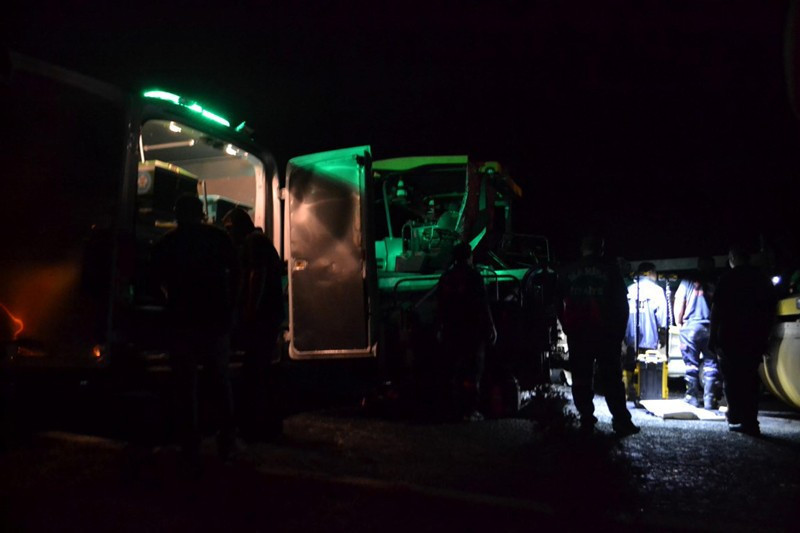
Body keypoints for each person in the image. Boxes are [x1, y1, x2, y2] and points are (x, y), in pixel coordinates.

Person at [151, 194, 240, 469]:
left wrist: (169, 300)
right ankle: (226, 441)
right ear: (201, 212)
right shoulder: (218, 238)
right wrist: (231, 306)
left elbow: (153, 280)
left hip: (182, 320)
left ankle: (190, 443)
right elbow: (236, 272)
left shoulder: (167, 242)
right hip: (215, 319)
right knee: (220, 381)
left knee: (185, 383)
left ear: (177, 214)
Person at [557, 234, 639, 436]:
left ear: (582, 248)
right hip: (606, 334)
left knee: (581, 378)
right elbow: (622, 305)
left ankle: (586, 419)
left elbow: (557, 301)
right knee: (612, 379)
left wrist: (566, 326)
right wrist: (619, 333)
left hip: (578, 334)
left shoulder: (568, 271)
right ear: (601, 249)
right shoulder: (610, 270)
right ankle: (620, 420)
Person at [222, 207, 285, 441]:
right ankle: (267, 424)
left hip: (262, 319)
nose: (229, 234)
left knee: (255, 371)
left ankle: (258, 425)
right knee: (260, 370)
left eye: (230, 228)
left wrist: (249, 310)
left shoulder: (253, 242)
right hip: (268, 317)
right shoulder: (260, 241)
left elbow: (257, 275)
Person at [710, 244, 776, 436]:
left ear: (732, 258)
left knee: (732, 378)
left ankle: (735, 416)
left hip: (730, 335)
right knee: (750, 379)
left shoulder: (727, 278)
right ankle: (750, 421)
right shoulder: (761, 278)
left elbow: (717, 309)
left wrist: (713, 336)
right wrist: (766, 336)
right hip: (755, 336)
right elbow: (771, 309)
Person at [436, 241, 497, 421]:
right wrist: (491, 326)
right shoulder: (474, 276)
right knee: (473, 371)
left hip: (452, 330)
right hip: (472, 330)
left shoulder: (446, 277)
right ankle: (469, 410)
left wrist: (440, 327)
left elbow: (440, 305)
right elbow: (483, 303)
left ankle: (455, 409)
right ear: (468, 256)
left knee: (455, 371)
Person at [674, 256, 719, 409]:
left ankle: (691, 397)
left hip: (690, 328)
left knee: (691, 365)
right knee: (711, 364)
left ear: (699, 265)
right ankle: (710, 399)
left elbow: (679, 302)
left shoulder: (688, 281)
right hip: (710, 328)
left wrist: (679, 323)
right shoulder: (717, 282)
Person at [623, 262, 668, 403]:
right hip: (649, 337)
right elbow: (662, 316)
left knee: (629, 364)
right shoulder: (657, 291)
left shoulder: (629, 289)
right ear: (650, 272)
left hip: (630, 337)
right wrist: (663, 334)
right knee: (647, 365)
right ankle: (644, 392)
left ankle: (627, 392)